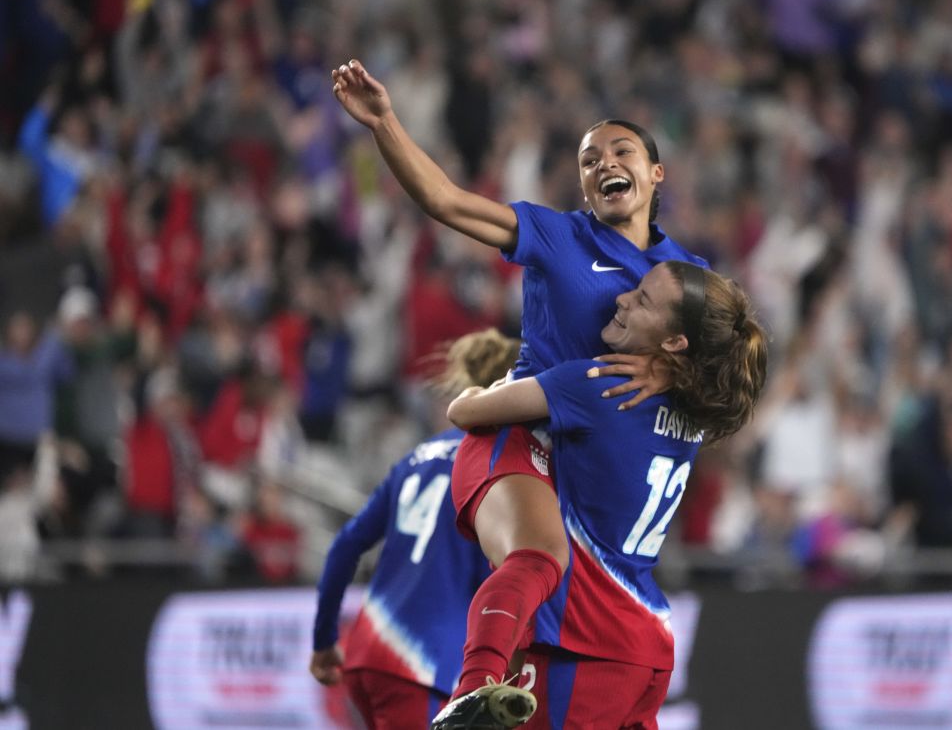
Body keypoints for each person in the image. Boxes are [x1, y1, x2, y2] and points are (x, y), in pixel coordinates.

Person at [332, 59, 708, 726]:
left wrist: (679, 371)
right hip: (519, 433)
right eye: (589, 158)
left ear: (656, 173)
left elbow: (733, 355)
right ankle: (472, 697)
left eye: (621, 150)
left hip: (586, 469)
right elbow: (446, 202)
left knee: (584, 616)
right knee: (539, 558)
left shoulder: (687, 276)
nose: (602, 163)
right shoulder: (558, 234)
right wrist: (384, 122)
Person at [440, 262, 767, 728]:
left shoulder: (599, 384)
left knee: (531, 560)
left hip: (583, 641)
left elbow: (466, 412)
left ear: (675, 342)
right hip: (647, 648)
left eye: (643, 300)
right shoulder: (696, 412)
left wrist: (481, 387)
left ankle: (470, 688)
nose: (622, 299)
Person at [309, 329, 523, 728]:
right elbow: (496, 578)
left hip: (367, 652)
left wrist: (324, 642)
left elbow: (345, 546)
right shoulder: (497, 465)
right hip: (424, 662)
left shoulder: (417, 457)